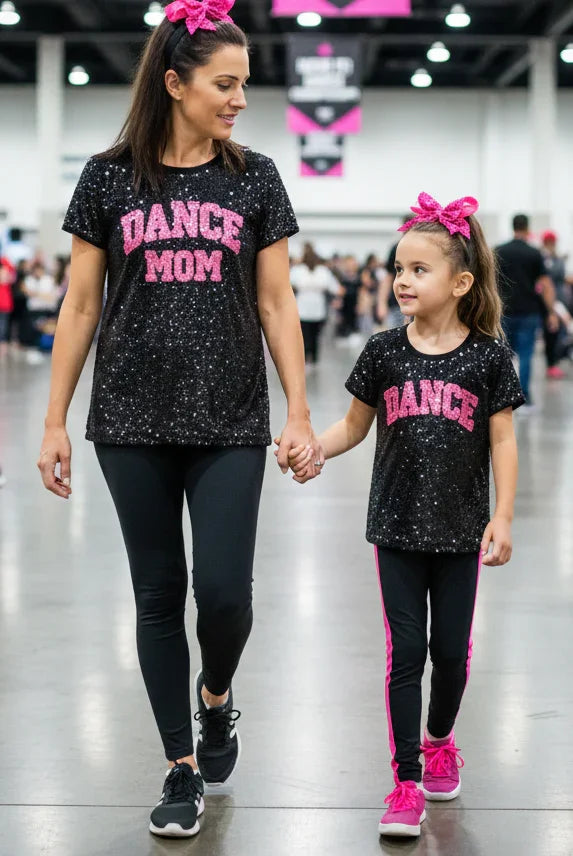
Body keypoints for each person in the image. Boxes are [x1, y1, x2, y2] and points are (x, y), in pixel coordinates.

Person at [37, 0, 320, 840]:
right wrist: (54, 419)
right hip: (128, 415)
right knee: (158, 595)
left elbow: (276, 300)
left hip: (232, 416)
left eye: (243, 84)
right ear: (174, 83)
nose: (238, 98)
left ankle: (216, 697)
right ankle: (179, 767)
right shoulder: (108, 176)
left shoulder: (254, 176)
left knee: (223, 596)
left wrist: (297, 409)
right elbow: (81, 304)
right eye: (224, 83)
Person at [282, 193, 524, 839]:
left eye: (418, 269)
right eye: (398, 268)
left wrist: (501, 515)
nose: (402, 280)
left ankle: (440, 738)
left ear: (460, 282)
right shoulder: (383, 351)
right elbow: (352, 427)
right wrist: (313, 449)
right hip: (393, 524)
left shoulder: (488, 358)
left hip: (460, 528)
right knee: (405, 654)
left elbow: (501, 440)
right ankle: (406, 781)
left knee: (450, 653)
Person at [496, 214, 558, 406]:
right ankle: (523, 398)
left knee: (502, 355)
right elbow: (546, 284)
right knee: (526, 354)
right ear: (527, 227)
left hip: (504, 311)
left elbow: (490, 282)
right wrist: (551, 312)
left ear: (513, 226)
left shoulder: (499, 251)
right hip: (529, 312)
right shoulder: (534, 253)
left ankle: (501, 397)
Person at [290, 243, 340, 365]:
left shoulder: (297, 270)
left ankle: (306, 358)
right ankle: (314, 358)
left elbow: (289, 285)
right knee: (315, 335)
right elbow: (335, 288)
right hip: (318, 308)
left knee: (304, 335)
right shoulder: (323, 271)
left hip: (303, 308)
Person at [540, 231, 571, 379]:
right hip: (549, 301)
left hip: (561, 299)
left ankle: (556, 361)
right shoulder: (543, 258)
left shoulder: (558, 258)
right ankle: (551, 363)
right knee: (551, 332)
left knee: (561, 331)